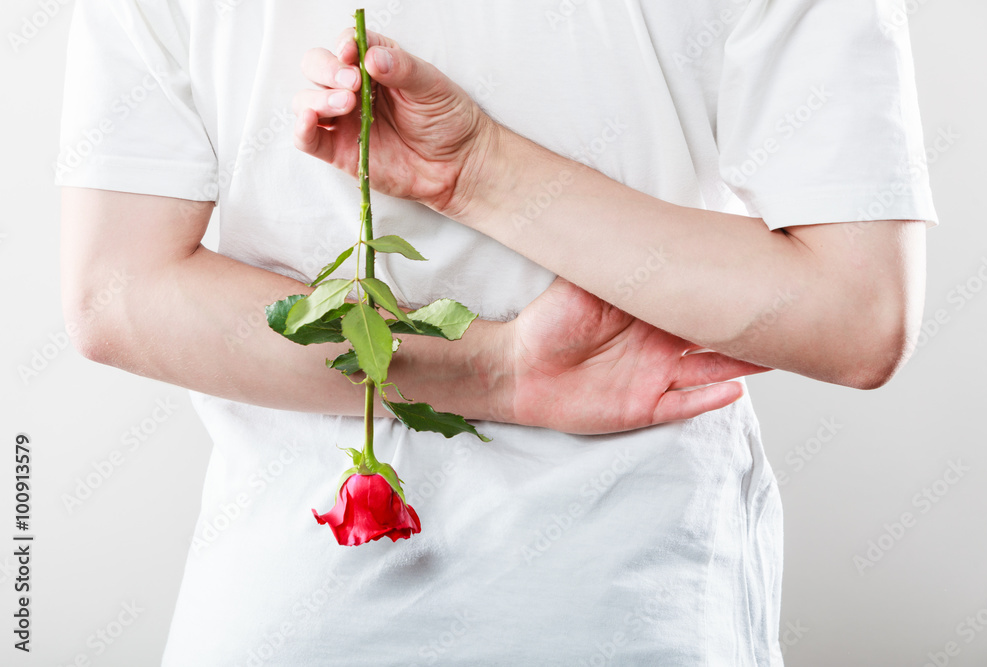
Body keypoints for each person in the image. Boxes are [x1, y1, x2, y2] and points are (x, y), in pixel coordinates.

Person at [56, 1, 937, 664]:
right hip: (632, 606)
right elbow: (858, 309)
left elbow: (121, 287)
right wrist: (496, 367)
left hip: (293, 609)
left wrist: (475, 172)